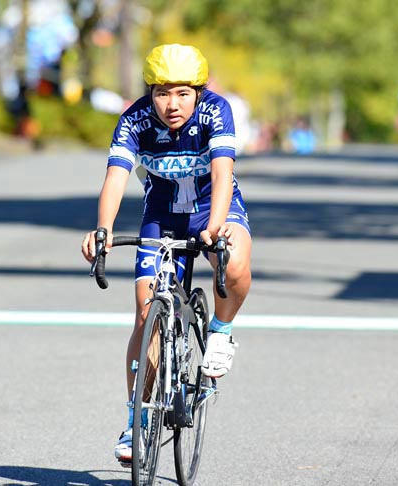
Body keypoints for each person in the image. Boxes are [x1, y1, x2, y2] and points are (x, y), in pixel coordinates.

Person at [79, 44, 252, 464]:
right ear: (149, 93)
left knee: (236, 263)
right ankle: (137, 421)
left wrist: (214, 228)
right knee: (145, 316)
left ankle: (220, 331)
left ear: (198, 92)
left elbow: (222, 172)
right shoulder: (134, 119)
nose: (171, 104)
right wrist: (102, 230)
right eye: (161, 93)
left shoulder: (216, 111)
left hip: (215, 206)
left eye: (181, 94)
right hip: (161, 217)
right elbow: (116, 178)